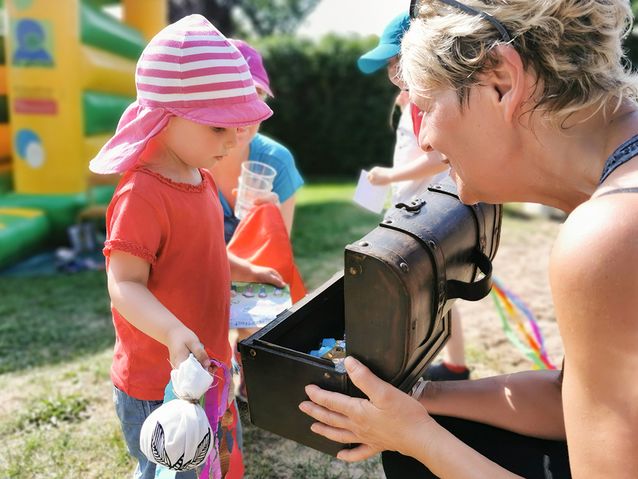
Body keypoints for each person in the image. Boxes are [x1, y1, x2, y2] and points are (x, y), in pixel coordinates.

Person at [300, 0, 638, 477]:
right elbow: (574, 398)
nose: (425, 142)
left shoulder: (611, 235)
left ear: (500, 81)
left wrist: (416, 439)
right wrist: (421, 398)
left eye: (425, 107)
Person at [89, 15, 280, 479]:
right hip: (160, 382)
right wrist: (174, 334)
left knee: (203, 464)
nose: (235, 139)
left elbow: (208, 249)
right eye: (219, 128)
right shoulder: (142, 194)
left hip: (205, 367)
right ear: (165, 118)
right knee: (168, 471)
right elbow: (125, 284)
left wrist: (247, 269)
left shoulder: (202, 178)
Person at [359, 12, 469, 381]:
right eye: (389, 64)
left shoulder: (430, 103)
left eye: (398, 61)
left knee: (432, 292)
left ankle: (444, 364)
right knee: (438, 291)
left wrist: (390, 175)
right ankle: (453, 363)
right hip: (411, 205)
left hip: (428, 208)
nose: (393, 71)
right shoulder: (410, 102)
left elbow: (439, 156)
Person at [207, 39, 305, 400]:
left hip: (254, 259)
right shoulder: (194, 156)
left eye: (257, 97)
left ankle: (248, 367)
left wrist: (269, 218)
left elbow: (276, 259)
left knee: (260, 316)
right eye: (235, 97)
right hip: (205, 260)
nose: (247, 112)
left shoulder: (276, 162)